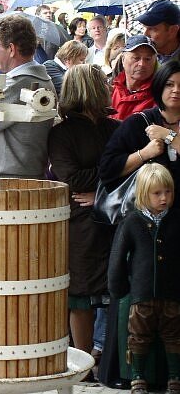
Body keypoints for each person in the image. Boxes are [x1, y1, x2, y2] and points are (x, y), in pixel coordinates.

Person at [98, 60, 180, 389]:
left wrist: (170, 138)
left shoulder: (167, 129)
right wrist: (146, 152)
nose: (176, 91)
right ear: (159, 86)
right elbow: (108, 170)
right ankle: (134, 376)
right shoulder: (139, 123)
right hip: (142, 228)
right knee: (136, 308)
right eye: (170, 83)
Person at [48, 64, 119, 366]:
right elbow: (73, 179)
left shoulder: (114, 127)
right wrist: (113, 171)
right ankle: (83, 362)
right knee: (81, 295)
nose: (109, 87)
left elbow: (133, 172)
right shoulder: (62, 133)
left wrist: (100, 191)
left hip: (113, 217)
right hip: (80, 223)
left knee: (114, 290)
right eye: (103, 83)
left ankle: (107, 359)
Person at [108, 163, 180, 394]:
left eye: (168, 192)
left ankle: (175, 377)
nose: (164, 198)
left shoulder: (177, 220)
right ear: (143, 194)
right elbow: (117, 257)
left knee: (174, 335)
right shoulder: (132, 222)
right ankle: (137, 376)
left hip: (172, 293)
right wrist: (117, 287)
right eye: (157, 193)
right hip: (141, 293)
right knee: (138, 335)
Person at [0, 14, 56, 178]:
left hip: (8, 180)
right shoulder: (41, 79)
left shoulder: (19, 83)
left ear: (11, 49)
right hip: (19, 176)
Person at [111, 35, 158, 121]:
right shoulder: (110, 90)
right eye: (136, 58)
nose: (142, 64)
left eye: (148, 59)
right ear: (123, 59)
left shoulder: (160, 96)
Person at [137, 0, 180, 64]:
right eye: (144, 27)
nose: (145, 34)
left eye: (152, 29)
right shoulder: (138, 56)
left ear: (172, 31)